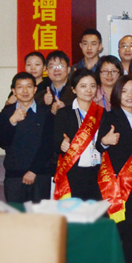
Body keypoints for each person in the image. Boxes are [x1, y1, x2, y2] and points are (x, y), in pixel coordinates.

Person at [96, 76, 132, 263]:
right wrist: (105, 141)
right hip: (118, 184)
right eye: (124, 91)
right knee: (117, 233)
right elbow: (99, 145)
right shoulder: (110, 116)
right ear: (117, 94)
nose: (129, 95)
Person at [0, 72, 55, 204]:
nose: (25, 91)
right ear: (13, 91)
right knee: (16, 215)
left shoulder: (46, 112)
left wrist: (33, 171)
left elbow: (48, 145)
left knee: (40, 215)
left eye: (29, 86)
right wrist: (12, 121)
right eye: (20, 87)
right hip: (14, 176)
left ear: (35, 89)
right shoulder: (6, 113)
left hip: (40, 174)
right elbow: (3, 142)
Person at [52, 69, 104, 199]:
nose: (89, 90)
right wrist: (62, 144)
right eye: (83, 86)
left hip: (98, 172)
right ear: (74, 89)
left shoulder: (102, 113)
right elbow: (55, 141)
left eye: (92, 86)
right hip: (74, 174)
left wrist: (106, 142)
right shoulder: (64, 114)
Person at [36, 50, 74, 114]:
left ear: (68, 69)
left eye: (60, 66)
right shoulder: (40, 90)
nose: (56, 69)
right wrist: (43, 101)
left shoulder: (76, 90)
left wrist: (65, 109)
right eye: (52, 67)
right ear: (47, 71)